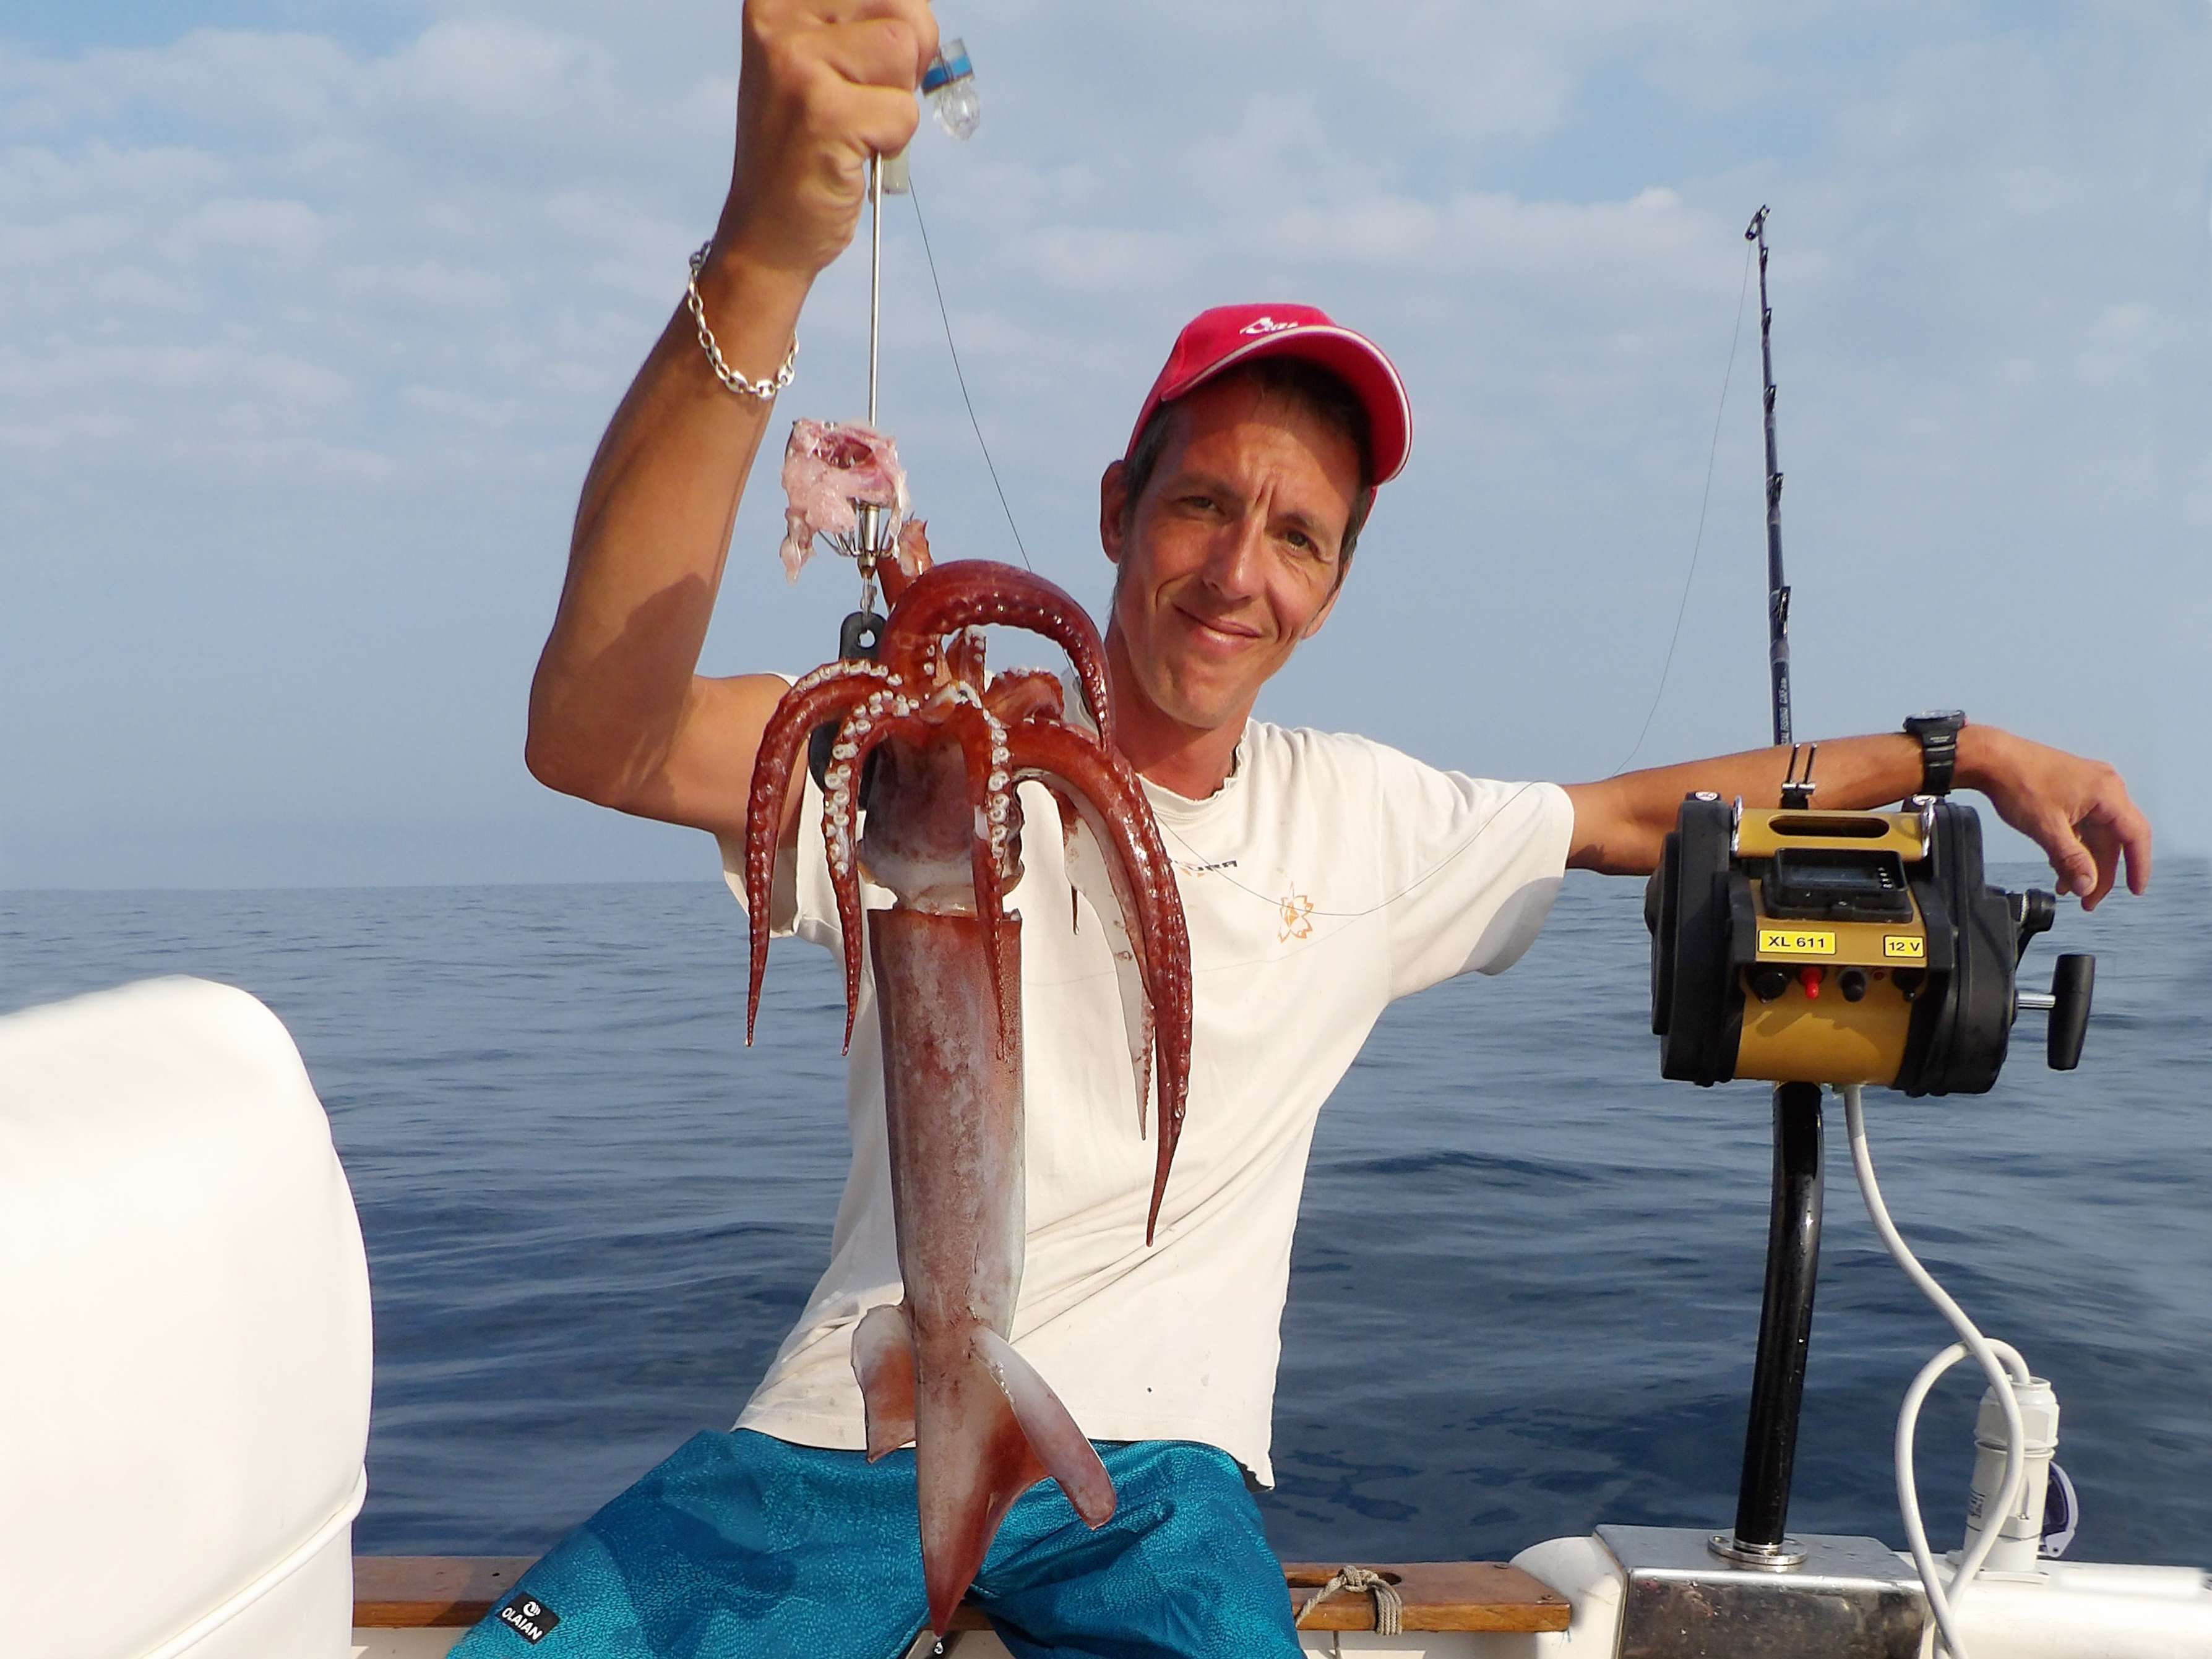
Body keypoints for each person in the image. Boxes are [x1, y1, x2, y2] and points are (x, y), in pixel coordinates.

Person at [473, 4, 2153, 1655]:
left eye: (1298, 534)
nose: (1239, 570)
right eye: (1203, 502)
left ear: (1333, 589)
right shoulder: (933, 767)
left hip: (1158, 1470)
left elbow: (1650, 812)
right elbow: (592, 731)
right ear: (1120, 511)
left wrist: (1960, 748)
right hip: (850, 1434)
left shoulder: (1363, 823)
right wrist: (763, 260)